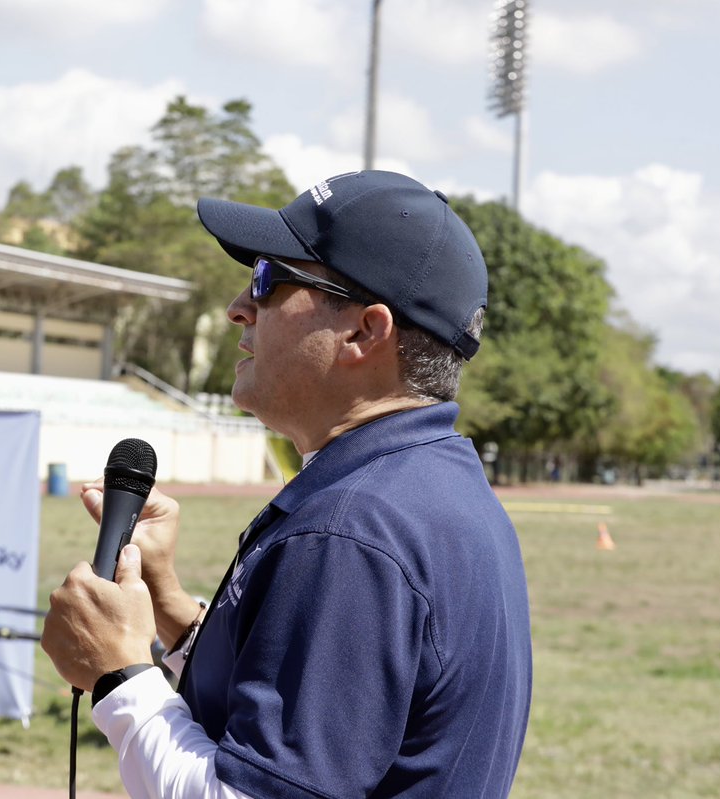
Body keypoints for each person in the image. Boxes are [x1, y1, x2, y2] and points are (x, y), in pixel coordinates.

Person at [42, 170, 532, 798]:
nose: (238, 307)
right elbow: (330, 707)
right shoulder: (429, 487)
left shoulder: (350, 530)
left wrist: (118, 674)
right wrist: (167, 606)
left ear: (364, 331)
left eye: (269, 280)